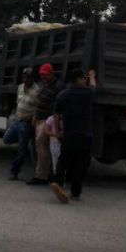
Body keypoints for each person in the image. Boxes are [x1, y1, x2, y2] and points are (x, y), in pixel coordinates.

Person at [50, 68, 96, 203]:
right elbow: (94, 87)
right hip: (85, 136)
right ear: (78, 79)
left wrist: (58, 132)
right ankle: (75, 193)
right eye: (84, 78)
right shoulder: (87, 93)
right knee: (80, 165)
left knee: (63, 161)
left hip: (69, 135)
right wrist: (93, 76)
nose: (85, 80)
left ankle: (58, 184)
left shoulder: (62, 95)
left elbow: (56, 115)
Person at [2, 68, 40, 181]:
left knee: (21, 150)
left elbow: (39, 107)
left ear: (32, 78)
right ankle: (24, 140)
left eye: (28, 77)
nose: (25, 79)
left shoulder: (37, 91)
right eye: (24, 76)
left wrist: (34, 117)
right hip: (17, 120)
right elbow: (18, 102)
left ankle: (14, 172)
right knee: (6, 139)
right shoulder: (20, 87)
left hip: (26, 123)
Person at [27, 63, 61, 186]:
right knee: (41, 148)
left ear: (51, 73)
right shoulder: (42, 85)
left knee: (44, 147)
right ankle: (47, 175)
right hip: (39, 120)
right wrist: (35, 115)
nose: (43, 77)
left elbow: (58, 106)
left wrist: (53, 122)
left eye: (45, 75)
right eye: (41, 75)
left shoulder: (57, 87)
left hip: (48, 121)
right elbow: (39, 101)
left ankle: (42, 176)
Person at [44, 114, 61, 178]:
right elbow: (46, 131)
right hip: (54, 143)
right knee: (55, 160)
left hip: (62, 142)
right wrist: (56, 134)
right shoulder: (51, 118)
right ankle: (57, 176)